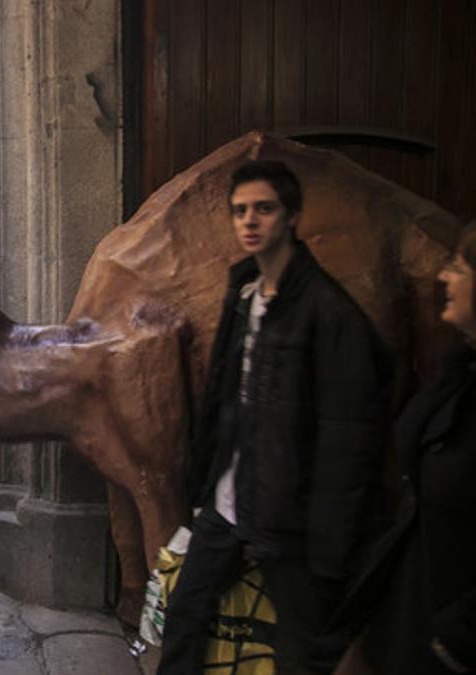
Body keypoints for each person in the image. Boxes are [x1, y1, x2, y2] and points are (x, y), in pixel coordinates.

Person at [158, 161, 391, 674]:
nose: (250, 221)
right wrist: (203, 491)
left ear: (292, 216)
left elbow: (349, 440)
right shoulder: (244, 294)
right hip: (231, 500)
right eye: (240, 211)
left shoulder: (329, 311)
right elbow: (228, 406)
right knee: (183, 615)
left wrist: (330, 552)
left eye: (264, 208)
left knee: (301, 653)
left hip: (292, 517)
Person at [332, 223, 476, 675]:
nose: (444, 277)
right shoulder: (461, 369)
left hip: (442, 642)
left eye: (460, 266)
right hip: (401, 617)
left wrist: (455, 642)